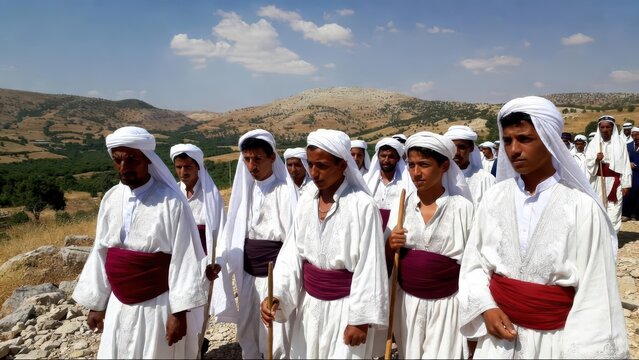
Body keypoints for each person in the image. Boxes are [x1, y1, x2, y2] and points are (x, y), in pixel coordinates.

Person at [458, 96, 628, 358]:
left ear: (549, 141)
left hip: (554, 343)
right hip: (497, 341)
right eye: (507, 140)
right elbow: (474, 264)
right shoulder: (494, 197)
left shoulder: (581, 207)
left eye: (524, 139)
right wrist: (485, 307)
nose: (513, 149)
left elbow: (596, 293)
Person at [72, 127, 209, 358]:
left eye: (131, 160)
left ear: (147, 160)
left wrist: (179, 314)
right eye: (117, 161)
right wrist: (97, 303)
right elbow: (101, 252)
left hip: (157, 305)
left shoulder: (170, 201)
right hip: (118, 304)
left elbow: (185, 259)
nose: (123, 167)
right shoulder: (111, 198)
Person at [261, 129, 389, 359]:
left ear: (342, 165)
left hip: (345, 309)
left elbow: (371, 265)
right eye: (310, 165)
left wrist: (360, 320)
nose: (313, 173)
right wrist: (277, 294)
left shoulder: (363, 206)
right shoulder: (307, 200)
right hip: (309, 306)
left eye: (322, 166)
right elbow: (292, 254)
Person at [386, 131, 474, 358]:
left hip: (447, 306)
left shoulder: (462, 208)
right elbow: (387, 259)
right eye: (411, 165)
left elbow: (473, 266)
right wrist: (390, 244)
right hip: (407, 304)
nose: (416, 173)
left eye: (424, 165)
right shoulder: (402, 204)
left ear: (444, 166)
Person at [215, 129, 296, 359]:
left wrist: (281, 283)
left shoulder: (284, 193)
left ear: (272, 158)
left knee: (275, 336)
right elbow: (231, 234)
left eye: (258, 159)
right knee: (248, 331)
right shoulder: (244, 194)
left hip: (274, 277)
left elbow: (292, 241)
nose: (252, 165)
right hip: (248, 276)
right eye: (247, 159)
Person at [170, 144, 227, 355]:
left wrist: (216, 262)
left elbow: (221, 231)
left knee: (197, 310)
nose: (183, 172)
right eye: (179, 167)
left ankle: (196, 349)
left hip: (201, 263)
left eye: (188, 167)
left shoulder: (211, 197)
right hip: (176, 264)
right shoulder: (173, 193)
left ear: (198, 168)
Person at [586, 115, 632, 236]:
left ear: (612, 128)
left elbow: (626, 164)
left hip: (615, 182)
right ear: (599, 128)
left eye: (608, 127)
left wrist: (626, 184)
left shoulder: (620, 144)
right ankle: (600, 238)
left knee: (614, 211)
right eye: (602, 127)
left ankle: (612, 239)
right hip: (597, 181)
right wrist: (596, 159)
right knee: (598, 210)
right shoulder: (593, 144)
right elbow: (587, 163)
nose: (605, 130)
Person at [444, 125, 495, 206]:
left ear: (471, 148)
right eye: (452, 147)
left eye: (462, 147)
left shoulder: (486, 180)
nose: (456, 153)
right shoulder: (440, 178)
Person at [364, 137, 408, 229]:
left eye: (391, 156)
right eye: (383, 156)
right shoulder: (366, 181)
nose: (386, 160)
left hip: (394, 233)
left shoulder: (406, 182)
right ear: (378, 157)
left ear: (398, 159)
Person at [623, 127, 639, 220]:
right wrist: (628, 164)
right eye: (634, 136)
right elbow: (623, 158)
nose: (636, 138)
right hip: (630, 174)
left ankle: (636, 214)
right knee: (628, 193)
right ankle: (626, 213)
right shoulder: (627, 146)